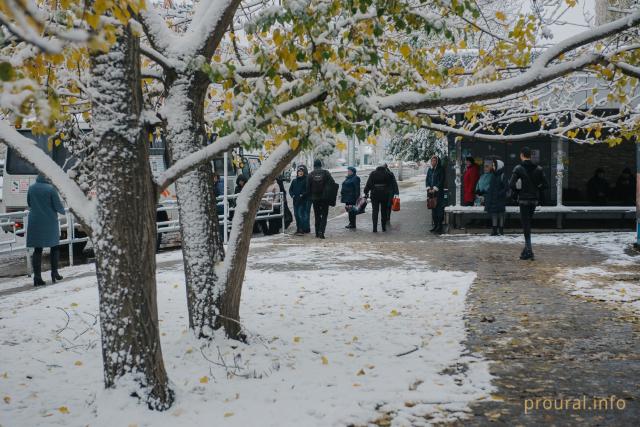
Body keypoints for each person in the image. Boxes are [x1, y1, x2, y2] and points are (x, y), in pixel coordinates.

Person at [509, 146, 548, 261]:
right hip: (534, 200)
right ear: (530, 156)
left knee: (525, 224)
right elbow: (545, 185)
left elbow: (511, 184)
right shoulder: (539, 169)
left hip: (523, 200)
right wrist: (536, 188)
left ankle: (529, 250)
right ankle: (526, 251)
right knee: (528, 223)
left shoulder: (518, 168)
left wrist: (518, 191)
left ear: (521, 155)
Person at [26, 174, 66, 287]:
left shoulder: (31, 188)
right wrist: (64, 210)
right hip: (49, 221)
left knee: (37, 249)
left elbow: (29, 203)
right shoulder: (51, 189)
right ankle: (54, 273)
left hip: (35, 221)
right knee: (54, 247)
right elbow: (58, 207)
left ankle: (37, 277)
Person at [307, 159, 335, 239]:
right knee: (324, 215)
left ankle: (316, 232)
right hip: (325, 198)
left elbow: (308, 188)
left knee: (317, 215)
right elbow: (332, 183)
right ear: (321, 165)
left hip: (315, 198)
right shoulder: (326, 173)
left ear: (314, 165)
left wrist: (310, 198)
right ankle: (321, 232)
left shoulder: (310, 174)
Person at [364, 163, 394, 232]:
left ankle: (374, 228)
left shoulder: (373, 173)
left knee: (375, 211)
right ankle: (383, 227)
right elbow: (391, 185)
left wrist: (366, 192)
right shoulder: (388, 174)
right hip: (385, 195)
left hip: (375, 195)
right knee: (384, 211)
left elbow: (369, 183)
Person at [485, 159, 508, 236]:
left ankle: (501, 230)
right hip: (493, 198)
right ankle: (494, 230)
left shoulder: (502, 175)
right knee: (494, 214)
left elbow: (506, 187)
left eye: (495, 165)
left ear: (499, 166)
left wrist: (499, 193)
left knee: (501, 214)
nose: (493, 166)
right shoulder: (493, 175)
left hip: (500, 198)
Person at [426, 155, 446, 233]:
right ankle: (435, 225)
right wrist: (428, 188)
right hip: (431, 193)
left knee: (439, 210)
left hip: (438, 193)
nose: (433, 162)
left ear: (437, 161)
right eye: (432, 161)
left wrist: (435, 188)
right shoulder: (430, 170)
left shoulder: (441, 169)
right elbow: (427, 179)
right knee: (433, 210)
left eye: (434, 160)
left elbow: (441, 180)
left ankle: (440, 226)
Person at [289, 165, 311, 235]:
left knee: (300, 214)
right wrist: (292, 195)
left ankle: (301, 229)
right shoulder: (294, 181)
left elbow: (307, 190)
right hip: (295, 201)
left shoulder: (306, 180)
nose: (300, 173)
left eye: (301, 172)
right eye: (299, 172)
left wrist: (302, 194)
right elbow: (290, 190)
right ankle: (298, 228)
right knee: (296, 215)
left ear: (304, 172)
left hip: (303, 201)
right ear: (297, 173)